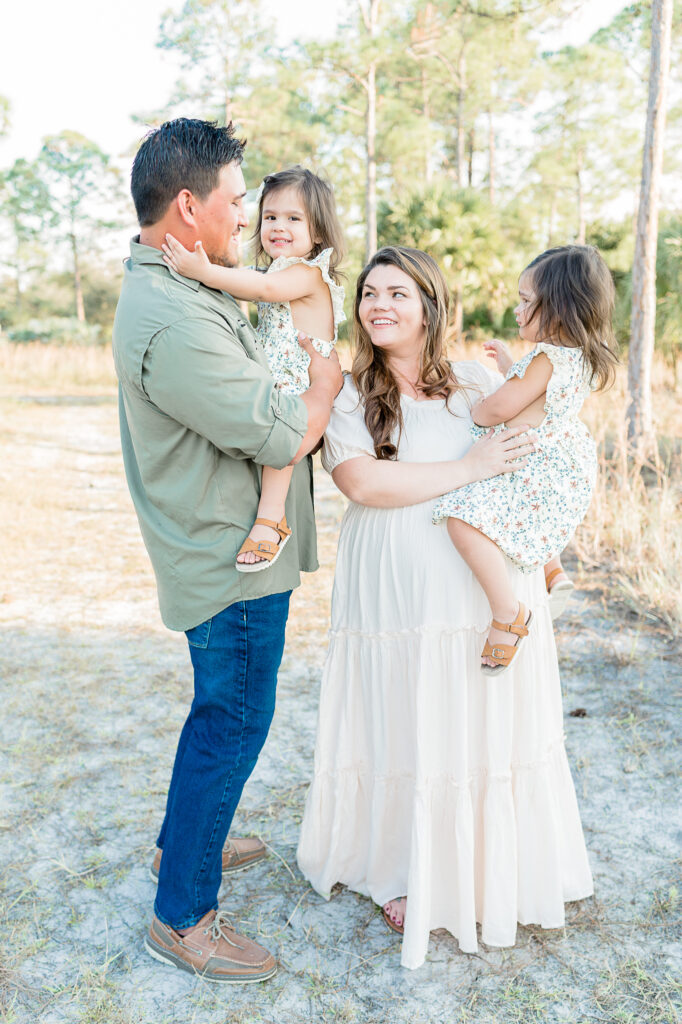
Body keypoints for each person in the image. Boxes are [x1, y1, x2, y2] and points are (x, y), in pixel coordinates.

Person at [296, 246, 594, 970]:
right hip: (392, 589)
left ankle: (492, 868)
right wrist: (465, 469)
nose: (380, 305)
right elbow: (362, 482)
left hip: (480, 581)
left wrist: (544, 547)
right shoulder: (347, 389)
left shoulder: (475, 380)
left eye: (398, 292)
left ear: (430, 304)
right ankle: (404, 867)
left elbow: (533, 452)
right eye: (369, 293)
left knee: (481, 721)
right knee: (403, 716)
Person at [112, 118, 342, 983]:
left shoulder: (185, 285)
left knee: (218, 711)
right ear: (186, 205)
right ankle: (183, 918)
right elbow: (282, 427)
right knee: (235, 718)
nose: (247, 217)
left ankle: (188, 843)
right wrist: (325, 381)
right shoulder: (174, 318)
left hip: (229, 538)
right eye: (238, 201)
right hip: (226, 555)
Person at [433, 245, 618, 675]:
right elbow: (539, 396)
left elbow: (499, 409)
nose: (516, 310)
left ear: (559, 307)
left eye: (525, 301)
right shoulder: (577, 358)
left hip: (530, 462)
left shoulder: (546, 358)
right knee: (527, 520)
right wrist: (512, 367)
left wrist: (478, 409)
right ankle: (552, 570)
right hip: (562, 463)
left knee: (463, 520)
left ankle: (508, 614)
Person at [161, 166, 345, 572]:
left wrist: (204, 271)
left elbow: (262, 290)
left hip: (302, 380)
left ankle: (271, 519)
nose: (279, 226)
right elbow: (252, 281)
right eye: (271, 217)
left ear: (318, 233)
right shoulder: (276, 270)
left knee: (280, 444)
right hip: (282, 376)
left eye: (294, 219)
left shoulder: (309, 273)